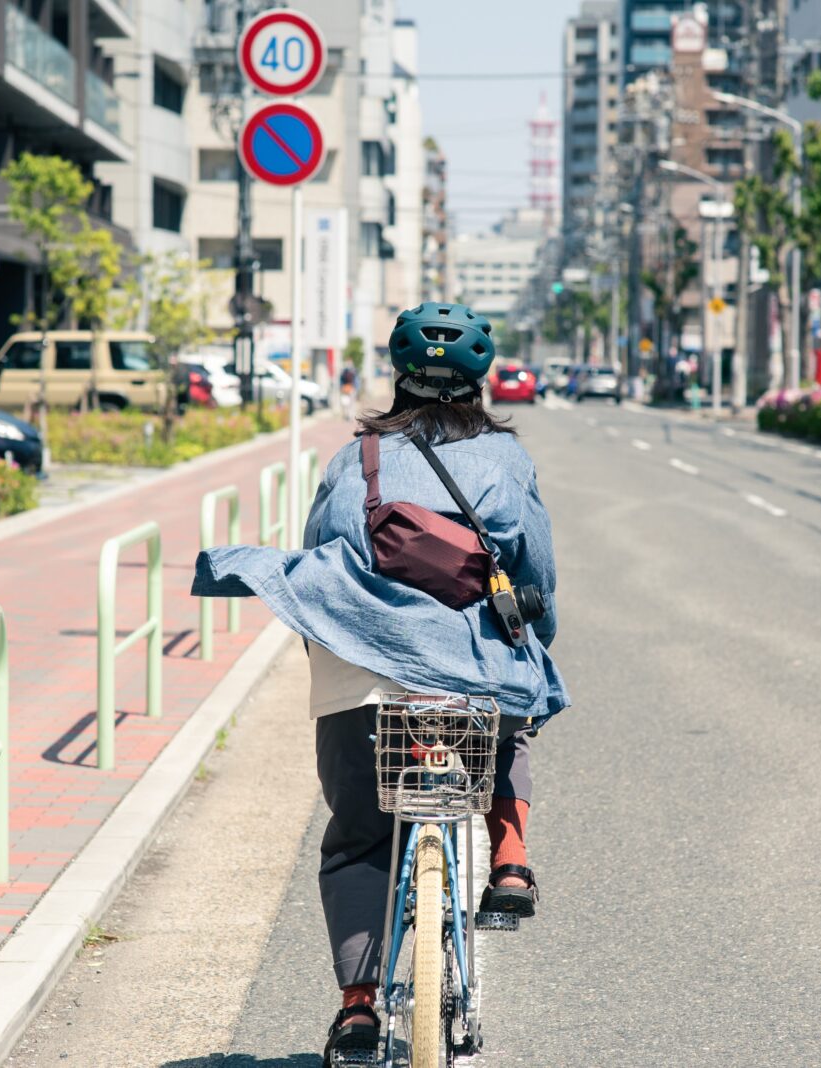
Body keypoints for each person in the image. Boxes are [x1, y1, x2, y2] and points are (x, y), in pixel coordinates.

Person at [191, 302, 568, 1066]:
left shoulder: (356, 456)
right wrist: (535, 637)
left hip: (359, 665)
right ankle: (509, 860)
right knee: (511, 710)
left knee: (359, 836)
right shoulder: (505, 458)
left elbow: (319, 559)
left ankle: (358, 1010)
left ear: (399, 375)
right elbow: (537, 571)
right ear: (480, 379)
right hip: (469, 665)